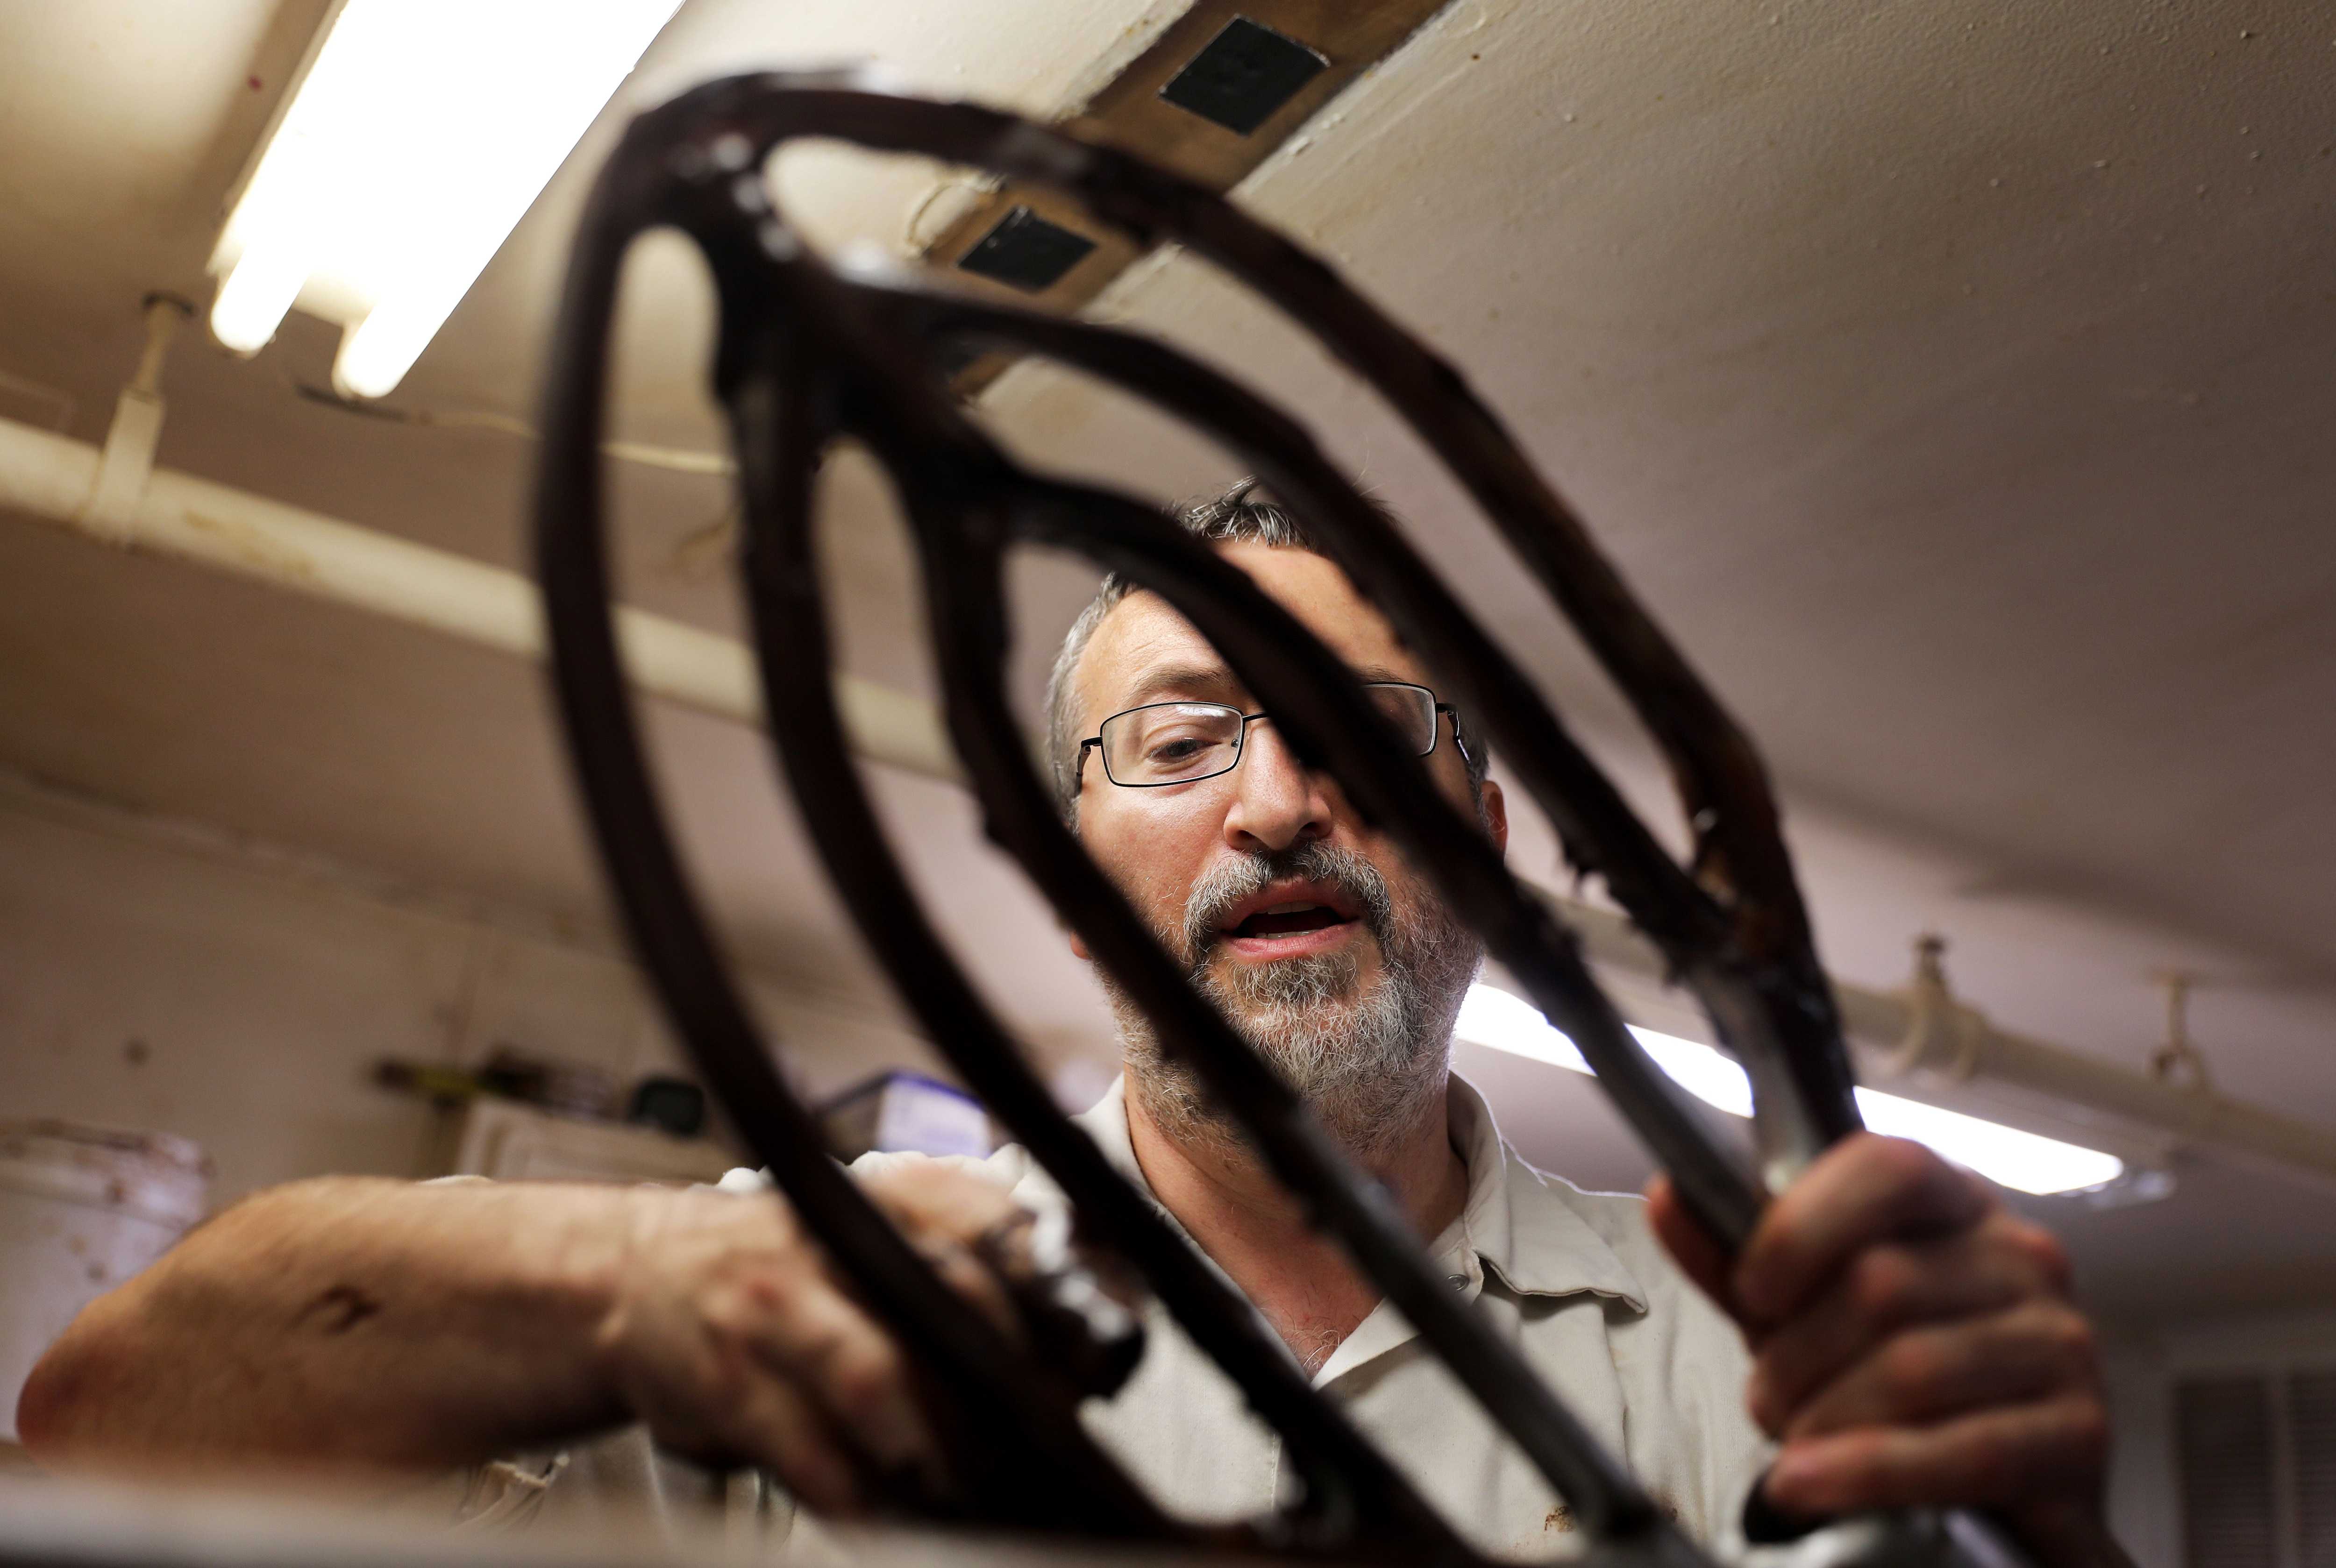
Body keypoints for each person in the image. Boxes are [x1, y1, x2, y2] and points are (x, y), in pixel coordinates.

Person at [17, 485, 2122, 1563]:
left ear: (1480, 838)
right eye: (1183, 740)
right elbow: (112, 1430)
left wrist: (2037, 1526)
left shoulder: (1739, 1359)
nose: (1280, 799)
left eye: (1355, 744)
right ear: (1049, 861)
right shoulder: (801, 1304)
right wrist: (639, 1272)